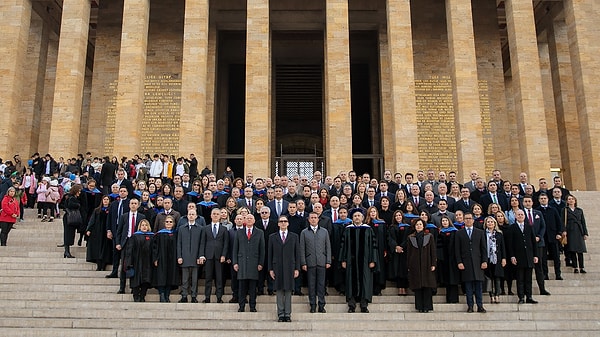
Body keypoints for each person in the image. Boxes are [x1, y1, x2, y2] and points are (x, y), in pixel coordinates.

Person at [339, 210, 378, 313]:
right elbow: (343, 246)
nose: (357, 217)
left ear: (363, 218)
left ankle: (364, 304)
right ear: (352, 218)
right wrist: (343, 259)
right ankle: (351, 305)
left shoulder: (368, 229)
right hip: (350, 262)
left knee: (365, 281)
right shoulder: (347, 230)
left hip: (365, 262)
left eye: (359, 216)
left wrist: (373, 260)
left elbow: (373, 246)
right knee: (351, 281)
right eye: (355, 216)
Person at [269, 215, 301, 322]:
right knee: (279, 291)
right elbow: (270, 254)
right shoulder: (272, 237)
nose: (283, 223)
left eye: (285, 221)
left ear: (288, 223)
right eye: (281, 221)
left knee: (288, 290)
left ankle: (287, 314)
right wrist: (270, 269)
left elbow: (297, 254)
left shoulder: (294, 236)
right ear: (278, 223)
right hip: (277, 266)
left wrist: (297, 268)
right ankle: (280, 314)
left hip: (289, 266)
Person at [455, 212, 488, 313]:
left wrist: (484, 261)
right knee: (468, 286)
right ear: (464, 220)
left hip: (478, 263)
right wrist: (459, 262)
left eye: (470, 218)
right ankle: (470, 306)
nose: (468, 220)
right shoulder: (459, 233)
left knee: (478, 286)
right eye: (466, 218)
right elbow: (457, 250)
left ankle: (480, 305)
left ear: (473, 220)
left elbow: (483, 248)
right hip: (466, 263)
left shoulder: (480, 232)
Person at [300, 212, 332, 314]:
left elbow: (328, 247)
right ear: (309, 220)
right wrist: (303, 262)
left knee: (321, 285)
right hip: (310, 263)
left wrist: (328, 260)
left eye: (315, 218)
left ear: (318, 219)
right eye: (311, 218)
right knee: (311, 285)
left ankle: (321, 305)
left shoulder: (324, 232)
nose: (313, 219)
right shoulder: (304, 232)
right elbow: (302, 249)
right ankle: (313, 305)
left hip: (322, 262)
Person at [233, 214, 265, 312]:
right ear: (244, 220)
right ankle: (241, 306)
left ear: (254, 220)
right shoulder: (239, 232)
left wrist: (261, 263)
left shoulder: (259, 232)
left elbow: (262, 249)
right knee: (242, 287)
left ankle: (252, 306)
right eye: (247, 218)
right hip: (242, 263)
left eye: (251, 218)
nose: (249, 220)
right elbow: (235, 249)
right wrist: (235, 262)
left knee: (252, 287)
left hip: (254, 263)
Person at [506, 209, 539, 304]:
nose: (520, 216)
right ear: (515, 216)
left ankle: (529, 296)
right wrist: (512, 256)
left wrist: (535, 255)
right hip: (518, 257)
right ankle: (521, 297)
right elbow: (510, 244)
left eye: (522, 214)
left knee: (528, 279)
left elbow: (533, 242)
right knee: (520, 279)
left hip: (529, 256)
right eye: (518, 214)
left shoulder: (529, 227)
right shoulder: (512, 228)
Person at [115, 198, 145, 294]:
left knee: (135, 264)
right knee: (124, 265)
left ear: (138, 205)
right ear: (129, 205)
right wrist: (118, 243)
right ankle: (122, 287)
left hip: (137, 242)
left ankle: (134, 287)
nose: (133, 205)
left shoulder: (142, 216)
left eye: (135, 203)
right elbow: (119, 231)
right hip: (126, 242)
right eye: (132, 203)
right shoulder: (124, 216)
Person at [199, 208, 229, 303]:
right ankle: (207, 297)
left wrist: (224, 255)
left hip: (219, 256)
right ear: (211, 215)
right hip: (208, 256)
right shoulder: (205, 228)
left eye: (217, 214)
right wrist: (201, 255)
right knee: (208, 277)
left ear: (220, 216)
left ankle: (219, 297)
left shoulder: (224, 229)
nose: (215, 215)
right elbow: (202, 243)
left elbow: (226, 243)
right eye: (214, 214)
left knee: (219, 278)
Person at [406, 218, 437, 313]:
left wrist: (433, 263)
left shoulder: (429, 236)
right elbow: (408, 253)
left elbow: (433, 251)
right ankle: (419, 306)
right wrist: (408, 265)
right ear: (414, 227)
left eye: (420, 224)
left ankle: (427, 307)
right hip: (415, 264)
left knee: (427, 286)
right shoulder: (411, 237)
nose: (418, 226)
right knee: (418, 286)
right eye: (417, 225)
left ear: (423, 226)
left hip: (427, 264)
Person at [124, 219, 154, 302]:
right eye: (142, 225)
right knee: (136, 280)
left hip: (148, 262)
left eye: (146, 225)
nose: (144, 227)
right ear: (139, 227)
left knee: (146, 280)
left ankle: (142, 296)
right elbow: (129, 250)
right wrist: (129, 262)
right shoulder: (134, 236)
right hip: (136, 261)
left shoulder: (152, 236)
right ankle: (136, 296)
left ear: (148, 227)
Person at [177, 209, 203, 303]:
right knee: (185, 278)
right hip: (184, 257)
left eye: (193, 214)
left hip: (195, 257)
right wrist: (179, 256)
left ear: (196, 216)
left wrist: (200, 256)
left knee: (195, 279)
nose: (191, 216)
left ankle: (193, 296)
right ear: (187, 216)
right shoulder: (181, 228)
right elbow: (179, 243)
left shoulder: (200, 228)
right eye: (189, 214)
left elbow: (201, 243)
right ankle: (184, 295)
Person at [152, 215, 179, 302]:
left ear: (173, 223)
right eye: (167, 222)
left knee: (170, 276)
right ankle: (162, 294)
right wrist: (155, 258)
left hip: (172, 259)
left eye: (170, 222)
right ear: (164, 223)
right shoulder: (159, 234)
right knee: (161, 276)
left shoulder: (176, 234)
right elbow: (154, 247)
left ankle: (167, 295)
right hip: (161, 258)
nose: (168, 223)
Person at [85, 195, 113, 271]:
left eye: (107, 199)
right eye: (104, 199)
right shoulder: (97, 210)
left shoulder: (111, 210)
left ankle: (104, 265)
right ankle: (99, 265)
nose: (106, 201)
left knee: (106, 249)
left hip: (107, 231)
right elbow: (92, 220)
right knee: (97, 249)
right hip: (97, 232)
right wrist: (89, 229)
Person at [483, 216, 506, 304]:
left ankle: (497, 295)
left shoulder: (499, 234)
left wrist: (504, 258)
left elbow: (503, 247)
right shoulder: (483, 234)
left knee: (497, 277)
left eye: (491, 222)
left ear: (494, 223)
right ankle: (491, 295)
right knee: (489, 278)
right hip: (487, 258)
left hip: (497, 258)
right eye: (488, 222)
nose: (490, 224)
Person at [437, 215, 460, 303]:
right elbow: (439, 246)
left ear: (449, 221)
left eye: (446, 220)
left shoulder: (455, 232)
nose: (444, 222)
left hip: (453, 258)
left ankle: (454, 298)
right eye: (443, 221)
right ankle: (448, 298)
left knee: (454, 278)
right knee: (447, 278)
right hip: (444, 259)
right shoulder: (440, 233)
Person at [564, 194, 589, 273]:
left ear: (575, 201)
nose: (571, 200)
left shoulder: (579, 210)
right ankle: (575, 267)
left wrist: (585, 233)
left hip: (579, 231)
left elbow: (583, 222)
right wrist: (564, 231)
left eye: (572, 199)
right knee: (572, 250)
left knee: (580, 250)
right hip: (570, 231)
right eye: (569, 199)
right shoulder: (565, 210)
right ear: (567, 201)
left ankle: (582, 267)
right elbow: (563, 221)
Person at [389, 210, 410, 296]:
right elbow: (390, 238)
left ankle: (404, 288)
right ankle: (399, 288)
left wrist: (402, 246)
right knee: (397, 269)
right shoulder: (391, 227)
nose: (398, 217)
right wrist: (395, 246)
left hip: (405, 251)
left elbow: (408, 238)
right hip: (396, 252)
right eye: (396, 216)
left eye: (399, 215)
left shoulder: (408, 227)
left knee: (404, 269)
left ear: (402, 217)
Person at [62, 185, 85, 258]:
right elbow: (70, 205)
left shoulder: (70, 197)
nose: (80, 192)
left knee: (69, 234)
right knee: (68, 234)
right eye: (79, 191)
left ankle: (67, 251)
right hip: (70, 217)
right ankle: (66, 251)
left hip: (70, 217)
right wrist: (78, 205)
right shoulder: (71, 198)